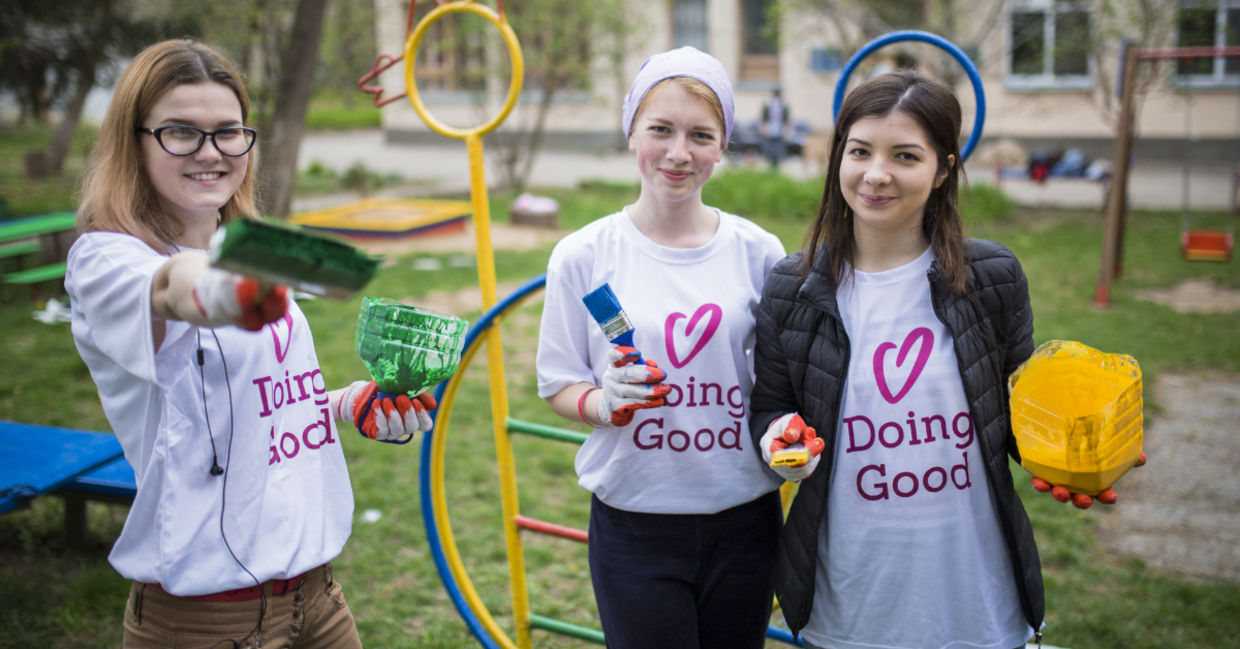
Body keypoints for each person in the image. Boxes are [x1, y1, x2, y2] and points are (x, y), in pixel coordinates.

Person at [66, 39, 436, 649]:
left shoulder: (246, 247)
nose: (210, 152)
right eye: (180, 132)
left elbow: (260, 400)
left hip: (318, 598)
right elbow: (170, 288)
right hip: (205, 619)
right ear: (133, 140)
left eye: (228, 132)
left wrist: (348, 404)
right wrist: (218, 286)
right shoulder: (106, 259)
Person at [749, 70, 1047, 649]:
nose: (876, 174)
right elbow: (771, 408)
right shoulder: (792, 286)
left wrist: (1073, 459)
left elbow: (1019, 418)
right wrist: (780, 438)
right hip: (850, 605)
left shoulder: (993, 279)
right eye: (860, 151)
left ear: (943, 171)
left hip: (976, 603)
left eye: (905, 155)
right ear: (839, 158)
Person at [535, 46, 786, 649]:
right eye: (661, 130)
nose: (679, 153)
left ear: (723, 145)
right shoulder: (584, 254)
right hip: (633, 522)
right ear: (631, 134)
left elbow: (780, 388)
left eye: (701, 135)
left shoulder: (760, 253)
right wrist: (603, 402)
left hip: (745, 518)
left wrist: (787, 438)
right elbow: (558, 383)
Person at [760, 86, 789, 169]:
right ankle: (770, 161)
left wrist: (786, 127)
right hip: (770, 128)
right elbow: (764, 117)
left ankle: (776, 162)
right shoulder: (768, 104)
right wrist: (763, 127)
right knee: (770, 146)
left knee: (778, 146)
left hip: (779, 128)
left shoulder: (783, 104)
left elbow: (786, 117)